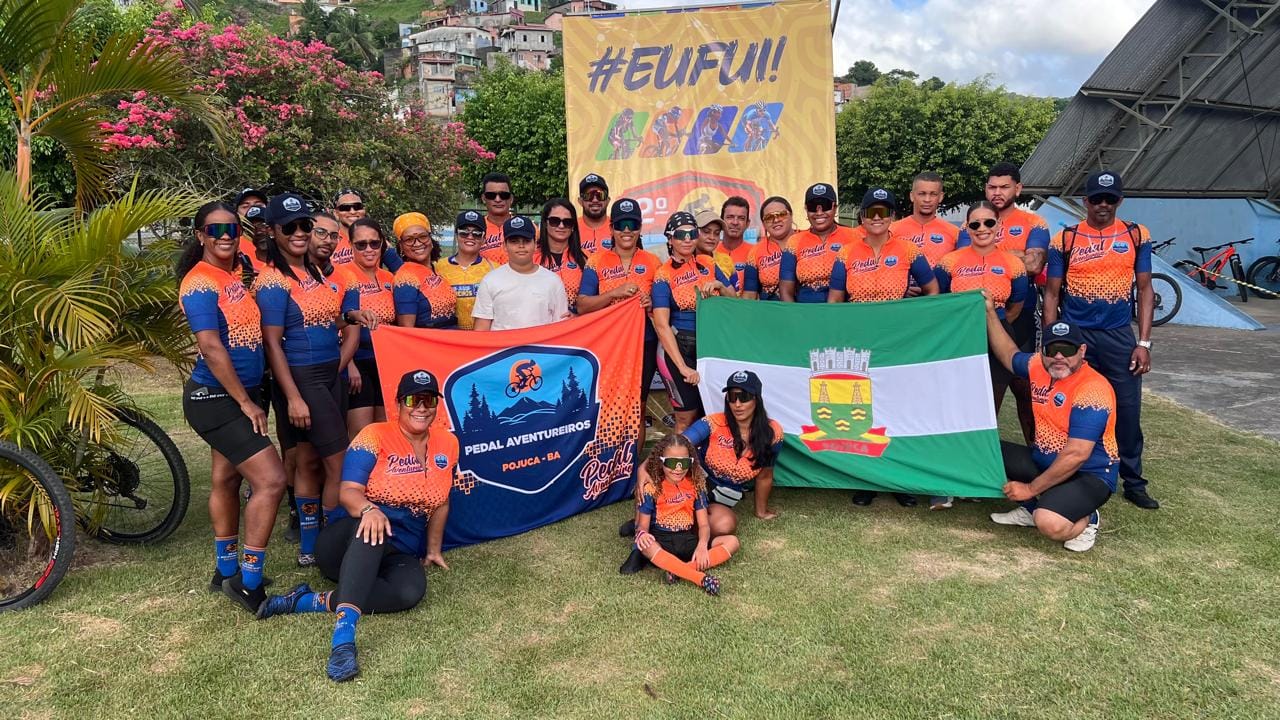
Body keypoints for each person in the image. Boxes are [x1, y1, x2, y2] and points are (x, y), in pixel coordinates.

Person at [256, 370, 456, 682]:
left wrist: (432, 549)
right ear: (398, 404)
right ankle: (343, 640)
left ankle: (308, 600)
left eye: (428, 400)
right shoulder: (374, 435)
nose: (421, 407)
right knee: (373, 527)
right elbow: (348, 491)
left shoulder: (448, 443)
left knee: (409, 592)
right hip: (345, 541)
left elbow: (442, 500)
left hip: (398, 549)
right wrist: (369, 509)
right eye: (412, 399)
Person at [255, 195, 376, 569]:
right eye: (289, 227)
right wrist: (293, 396)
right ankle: (331, 545)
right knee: (339, 465)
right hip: (304, 377)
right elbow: (271, 341)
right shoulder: (273, 281)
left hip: (330, 373)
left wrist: (350, 315)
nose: (299, 233)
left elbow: (322, 320)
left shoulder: (314, 273)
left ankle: (310, 547)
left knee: (309, 461)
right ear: (273, 231)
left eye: (303, 225)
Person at [177, 201, 287, 611]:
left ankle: (225, 572)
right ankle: (249, 582)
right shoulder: (199, 283)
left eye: (231, 229)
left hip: (241, 395)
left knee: (226, 478)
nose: (226, 236)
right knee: (272, 480)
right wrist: (246, 402)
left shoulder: (232, 277)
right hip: (218, 399)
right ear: (200, 235)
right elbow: (209, 345)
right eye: (216, 229)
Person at [1042, 170, 1158, 510]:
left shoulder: (1137, 235)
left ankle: (1134, 482)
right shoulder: (1065, 239)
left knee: (1126, 410)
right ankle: (1072, 472)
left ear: (1120, 200)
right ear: (1085, 201)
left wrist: (1145, 342)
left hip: (1119, 336)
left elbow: (1146, 289)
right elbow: (1051, 294)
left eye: (1110, 199)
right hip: (1075, 337)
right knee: (1070, 406)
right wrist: (1052, 343)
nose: (1103, 205)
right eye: (1096, 199)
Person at [832, 187, 937, 509]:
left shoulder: (909, 251)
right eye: (871, 212)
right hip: (859, 344)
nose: (877, 219)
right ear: (862, 217)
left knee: (898, 410)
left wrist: (913, 325)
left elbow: (933, 292)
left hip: (897, 344)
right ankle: (866, 477)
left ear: (892, 216)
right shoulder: (845, 254)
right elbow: (834, 301)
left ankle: (899, 479)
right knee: (862, 411)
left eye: (884, 212)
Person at [985, 301, 1115, 553]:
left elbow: (1077, 455)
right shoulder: (1038, 365)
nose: (1059, 356)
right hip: (1043, 460)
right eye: (1052, 348)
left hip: (1089, 475)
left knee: (1049, 523)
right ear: (1042, 350)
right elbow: (1008, 354)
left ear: (1082, 351)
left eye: (1067, 349)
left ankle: (1088, 518)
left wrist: (1029, 488)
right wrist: (990, 312)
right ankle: (1033, 506)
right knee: (981, 449)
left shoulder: (1093, 390)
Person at [930, 201, 1029, 510]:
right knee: (952, 408)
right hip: (959, 342)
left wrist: (994, 329)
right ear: (967, 228)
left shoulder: (1014, 265)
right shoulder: (949, 262)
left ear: (998, 226)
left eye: (988, 223)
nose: (982, 229)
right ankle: (945, 482)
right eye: (975, 225)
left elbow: (1016, 306)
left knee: (987, 410)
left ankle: (976, 477)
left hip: (998, 338)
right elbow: (941, 301)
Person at [957, 162, 1051, 445]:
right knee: (981, 391)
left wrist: (994, 254)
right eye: (992, 187)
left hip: (1019, 316)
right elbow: (966, 259)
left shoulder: (1035, 223)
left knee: (1025, 388)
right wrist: (1013, 254)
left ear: (1018, 188)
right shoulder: (971, 221)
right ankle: (978, 456)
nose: (997, 192)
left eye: (1004, 187)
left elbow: (1034, 264)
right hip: (976, 318)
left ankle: (1038, 455)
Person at [577, 198, 662, 430]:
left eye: (632, 225)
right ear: (611, 227)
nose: (626, 231)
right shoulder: (596, 261)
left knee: (638, 406)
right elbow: (582, 305)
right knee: (606, 404)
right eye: (621, 224)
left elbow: (664, 307)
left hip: (644, 342)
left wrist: (650, 302)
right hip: (607, 344)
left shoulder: (653, 261)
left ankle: (631, 464)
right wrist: (614, 293)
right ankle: (609, 462)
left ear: (640, 227)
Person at [652, 211, 736, 432]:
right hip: (680, 349)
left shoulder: (708, 263)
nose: (688, 238)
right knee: (686, 418)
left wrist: (720, 285)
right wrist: (682, 368)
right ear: (670, 239)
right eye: (681, 234)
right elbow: (661, 325)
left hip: (711, 347)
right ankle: (675, 465)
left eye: (692, 233)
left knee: (714, 414)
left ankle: (708, 465)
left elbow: (735, 301)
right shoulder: (663, 275)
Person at [627, 433, 739, 595]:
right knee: (646, 545)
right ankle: (700, 578)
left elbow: (704, 524)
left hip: (688, 540)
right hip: (661, 541)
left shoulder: (696, 485)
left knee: (732, 541)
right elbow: (643, 526)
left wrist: (702, 545)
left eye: (684, 462)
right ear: (661, 462)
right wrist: (643, 534)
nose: (678, 468)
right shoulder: (651, 487)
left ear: (691, 461)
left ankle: (679, 570)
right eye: (672, 462)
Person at [337, 218, 396, 438]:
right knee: (361, 433)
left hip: (385, 362)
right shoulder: (342, 275)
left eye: (374, 243)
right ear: (351, 245)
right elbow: (336, 321)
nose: (369, 249)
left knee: (384, 428)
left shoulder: (389, 277)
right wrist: (349, 363)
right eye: (361, 244)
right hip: (357, 361)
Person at [472, 216, 570, 331]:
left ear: (535, 245)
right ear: (504, 246)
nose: (521, 246)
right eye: (514, 241)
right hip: (504, 348)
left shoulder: (553, 281)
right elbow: (481, 330)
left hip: (540, 347)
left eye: (527, 241)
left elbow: (561, 328)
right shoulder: (490, 281)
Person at [779, 183, 854, 303]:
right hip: (805, 313)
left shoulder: (854, 236)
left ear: (835, 207)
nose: (819, 212)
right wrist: (794, 318)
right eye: (813, 207)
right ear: (806, 209)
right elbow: (785, 290)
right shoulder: (794, 242)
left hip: (843, 312)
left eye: (825, 206)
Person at [392, 212, 458, 329]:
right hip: (429, 344)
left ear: (430, 239)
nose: (417, 243)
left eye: (422, 236)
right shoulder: (406, 279)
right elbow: (407, 330)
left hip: (450, 341)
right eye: (409, 239)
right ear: (401, 246)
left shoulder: (435, 269)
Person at [434, 210, 496, 330]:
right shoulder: (438, 268)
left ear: (484, 239)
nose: (470, 237)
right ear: (456, 235)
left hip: (484, 337)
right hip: (449, 338)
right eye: (464, 233)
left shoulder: (494, 269)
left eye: (477, 233)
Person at [891, 172, 959, 269]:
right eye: (922, 194)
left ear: (941, 197)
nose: (927, 199)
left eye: (933, 194)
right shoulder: (892, 230)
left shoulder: (954, 233)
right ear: (912, 196)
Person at [330, 188, 404, 272]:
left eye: (357, 207)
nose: (352, 211)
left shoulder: (376, 239)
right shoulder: (328, 241)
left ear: (363, 210)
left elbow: (401, 271)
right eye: (345, 208)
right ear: (336, 213)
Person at [536, 198, 589, 312]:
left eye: (567, 222)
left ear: (573, 226)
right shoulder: (531, 258)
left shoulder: (587, 259)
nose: (561, 226)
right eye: (555, 221)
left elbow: (594, 300)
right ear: (545, 223)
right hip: (541, 326)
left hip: (578, 326)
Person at [743, 196, 792, 301]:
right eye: (769, 217)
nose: (776, 220)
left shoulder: (807, 240)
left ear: (791, 215)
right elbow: (749, 295)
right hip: (770, 313)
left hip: (808, 310)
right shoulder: (755, 252)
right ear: (763, 224)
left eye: (782, 214)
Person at [693, 208, 739, 290]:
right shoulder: (683, 262)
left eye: (717, 233)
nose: (712, 237)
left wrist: (720, 286)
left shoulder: (726, 261)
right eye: (706, 232)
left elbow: (735, 299)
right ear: (694, 232)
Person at [479, 172, 518, 264]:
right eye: (491, 195)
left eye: (504, 195)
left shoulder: (529, 229)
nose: (498, 199)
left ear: (511, 199)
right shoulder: (475, 229)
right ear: (483, 198)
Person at [719, 196, 752, 288]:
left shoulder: (755, 252)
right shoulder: (710, 252)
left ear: (747, 223)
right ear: (721, 221)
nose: (735, 222)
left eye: (741, 218)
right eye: (730, 217)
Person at [576, 174, 611, 254]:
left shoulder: (618, 227)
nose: (595, 200)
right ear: (580, 201)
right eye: (589, 196)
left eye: (600, 195)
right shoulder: (571, 228)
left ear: (608, 200)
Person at [235, 187, 269, 262]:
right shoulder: (232, 242)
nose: (253, 209)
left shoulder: (282, 237)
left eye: (258, 205)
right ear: (236, 213)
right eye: (245, 206)